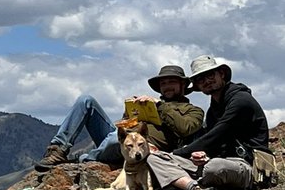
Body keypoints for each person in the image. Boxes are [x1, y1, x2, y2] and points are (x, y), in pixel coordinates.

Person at [147, 55, 273, 190]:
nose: (206, 81)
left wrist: (178, 153)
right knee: (155, 158)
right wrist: (201, 156)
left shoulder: (241, 100)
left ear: (222, 74)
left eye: (210, 75)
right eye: (200, 79)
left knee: (214, 167)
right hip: (218, 162)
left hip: (248, 165)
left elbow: (216, 135)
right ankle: (195, 189)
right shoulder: (213, 109)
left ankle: (188, 183)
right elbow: (213, 143)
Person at [35, 64, 203, 171]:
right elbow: (124, 126)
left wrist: (159, 106)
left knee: (115, 141)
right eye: (163, 83)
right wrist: (131, 114)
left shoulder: (194, 111)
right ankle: (57, 150)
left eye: (171, 82)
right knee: (85, 100)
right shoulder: (149, 103)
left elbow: (185, 128)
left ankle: (82, 160)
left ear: (182, 84)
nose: (167, 86)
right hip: (121, 136)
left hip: (140, 147)